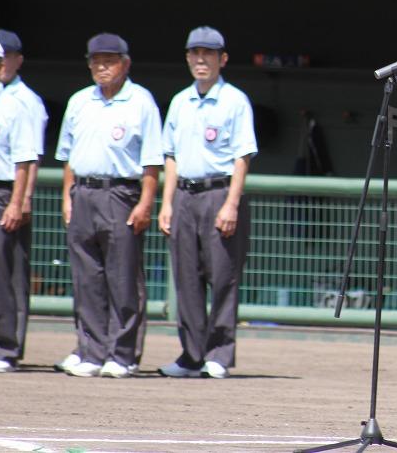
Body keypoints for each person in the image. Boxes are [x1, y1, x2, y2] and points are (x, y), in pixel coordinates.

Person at [55, 33, 163, 378]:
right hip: (83, 192)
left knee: (123, 277)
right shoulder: (79, 101)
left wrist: (145, 203)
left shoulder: (141, 101)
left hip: (120, 193)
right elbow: (67, 156)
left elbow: (152, 161)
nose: (102, 67)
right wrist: (67, 197)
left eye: (109, 61)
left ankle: (123, 354)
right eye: (96, 61)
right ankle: (92, 351)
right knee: (87, 278)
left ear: (125, 64)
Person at [158, 26, 256, 379]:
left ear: (222, 59)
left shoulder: (235, 100)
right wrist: (166, 203)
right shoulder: (179, 101)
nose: (201, 60)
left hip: (219, 192)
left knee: (223, 276)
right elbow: (170, 155)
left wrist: (231, 204)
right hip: (184, 194)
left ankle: (219, 354)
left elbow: (242, 157)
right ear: (188, 58)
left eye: (208, 54)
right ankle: (191, 354)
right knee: (186, 278)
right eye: (195, 53)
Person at [0, 29, 48, 363]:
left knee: (5, 271)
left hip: (2, 191)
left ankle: (5, 345)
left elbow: (28, 157)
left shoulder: (21, 102)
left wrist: (20, 200)